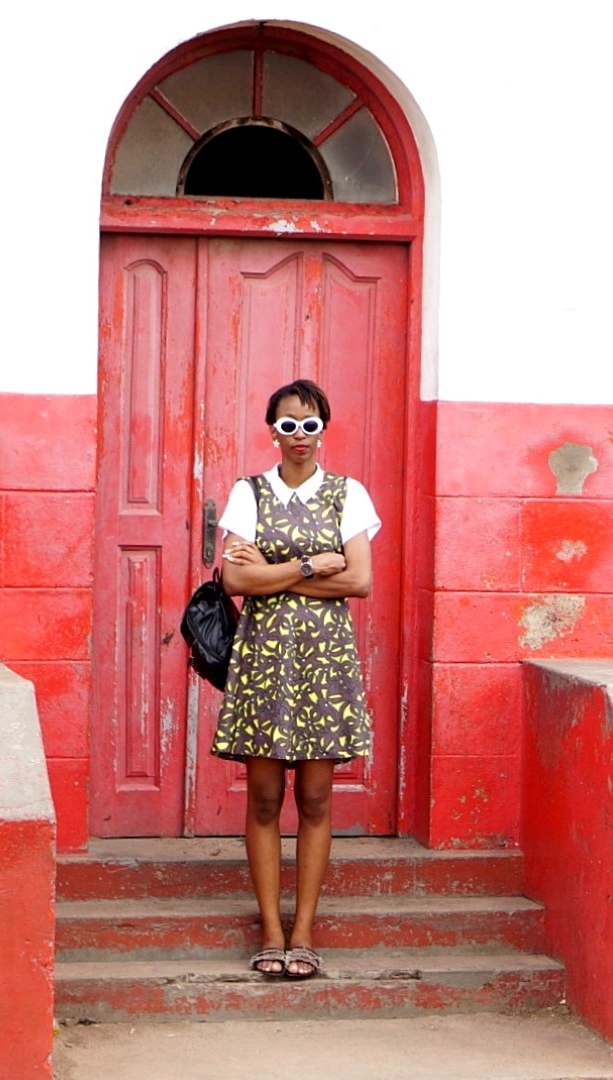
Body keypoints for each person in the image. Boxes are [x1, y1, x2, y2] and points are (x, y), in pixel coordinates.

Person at [211, 379, 381, 980]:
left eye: (310, 425)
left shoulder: (348, 494)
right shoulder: (247, 494)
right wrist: (312, 565)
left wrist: (274, 573)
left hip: (326, 664)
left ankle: (304, 930)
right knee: (262, 798)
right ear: (272, 430)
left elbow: (358, 581)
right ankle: (271, 929)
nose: (300, 437)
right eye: (288, 425)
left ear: (324, 429)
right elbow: (235, 583)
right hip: (264, 663)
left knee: (314, 798)